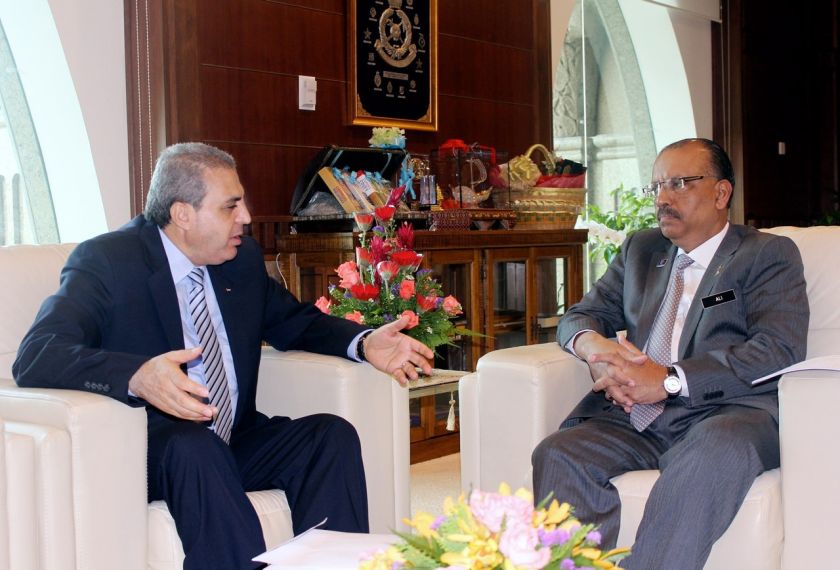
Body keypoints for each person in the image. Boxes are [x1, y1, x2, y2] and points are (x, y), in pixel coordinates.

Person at [13, 142, 434, 570]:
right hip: (152, 450)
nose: (246, 218)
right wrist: (138, 375)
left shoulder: (240, 260)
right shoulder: (108, 262)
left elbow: (295, 321)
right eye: (230, 207)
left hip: (232, 438)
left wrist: (363, 342)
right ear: (182, 214)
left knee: (328, 436)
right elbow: (37, 355)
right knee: (195, 446)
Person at [532, 138, 808, 569]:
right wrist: (595, 348)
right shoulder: (642, 250)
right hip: (634, 415)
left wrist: (668, 380)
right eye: (657, 186)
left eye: (679, 183)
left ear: (721, 193)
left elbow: (779, 349)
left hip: (727, 413)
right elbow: (581, 315)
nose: (662, 198)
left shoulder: (766, 254)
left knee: (709, 456)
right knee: (559, 453)